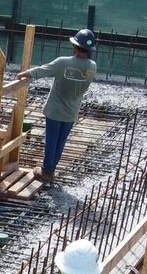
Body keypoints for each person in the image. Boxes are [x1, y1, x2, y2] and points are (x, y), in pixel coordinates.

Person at [26, 29, 99, 182]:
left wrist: (23, 74)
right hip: (71, 112)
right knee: (60, 142)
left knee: (51, 141)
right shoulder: (92, 66)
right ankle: (51, 169)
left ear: (75, 46)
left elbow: (41, 71)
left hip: (55, 110)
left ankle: (46, 171)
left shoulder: (63, 62)